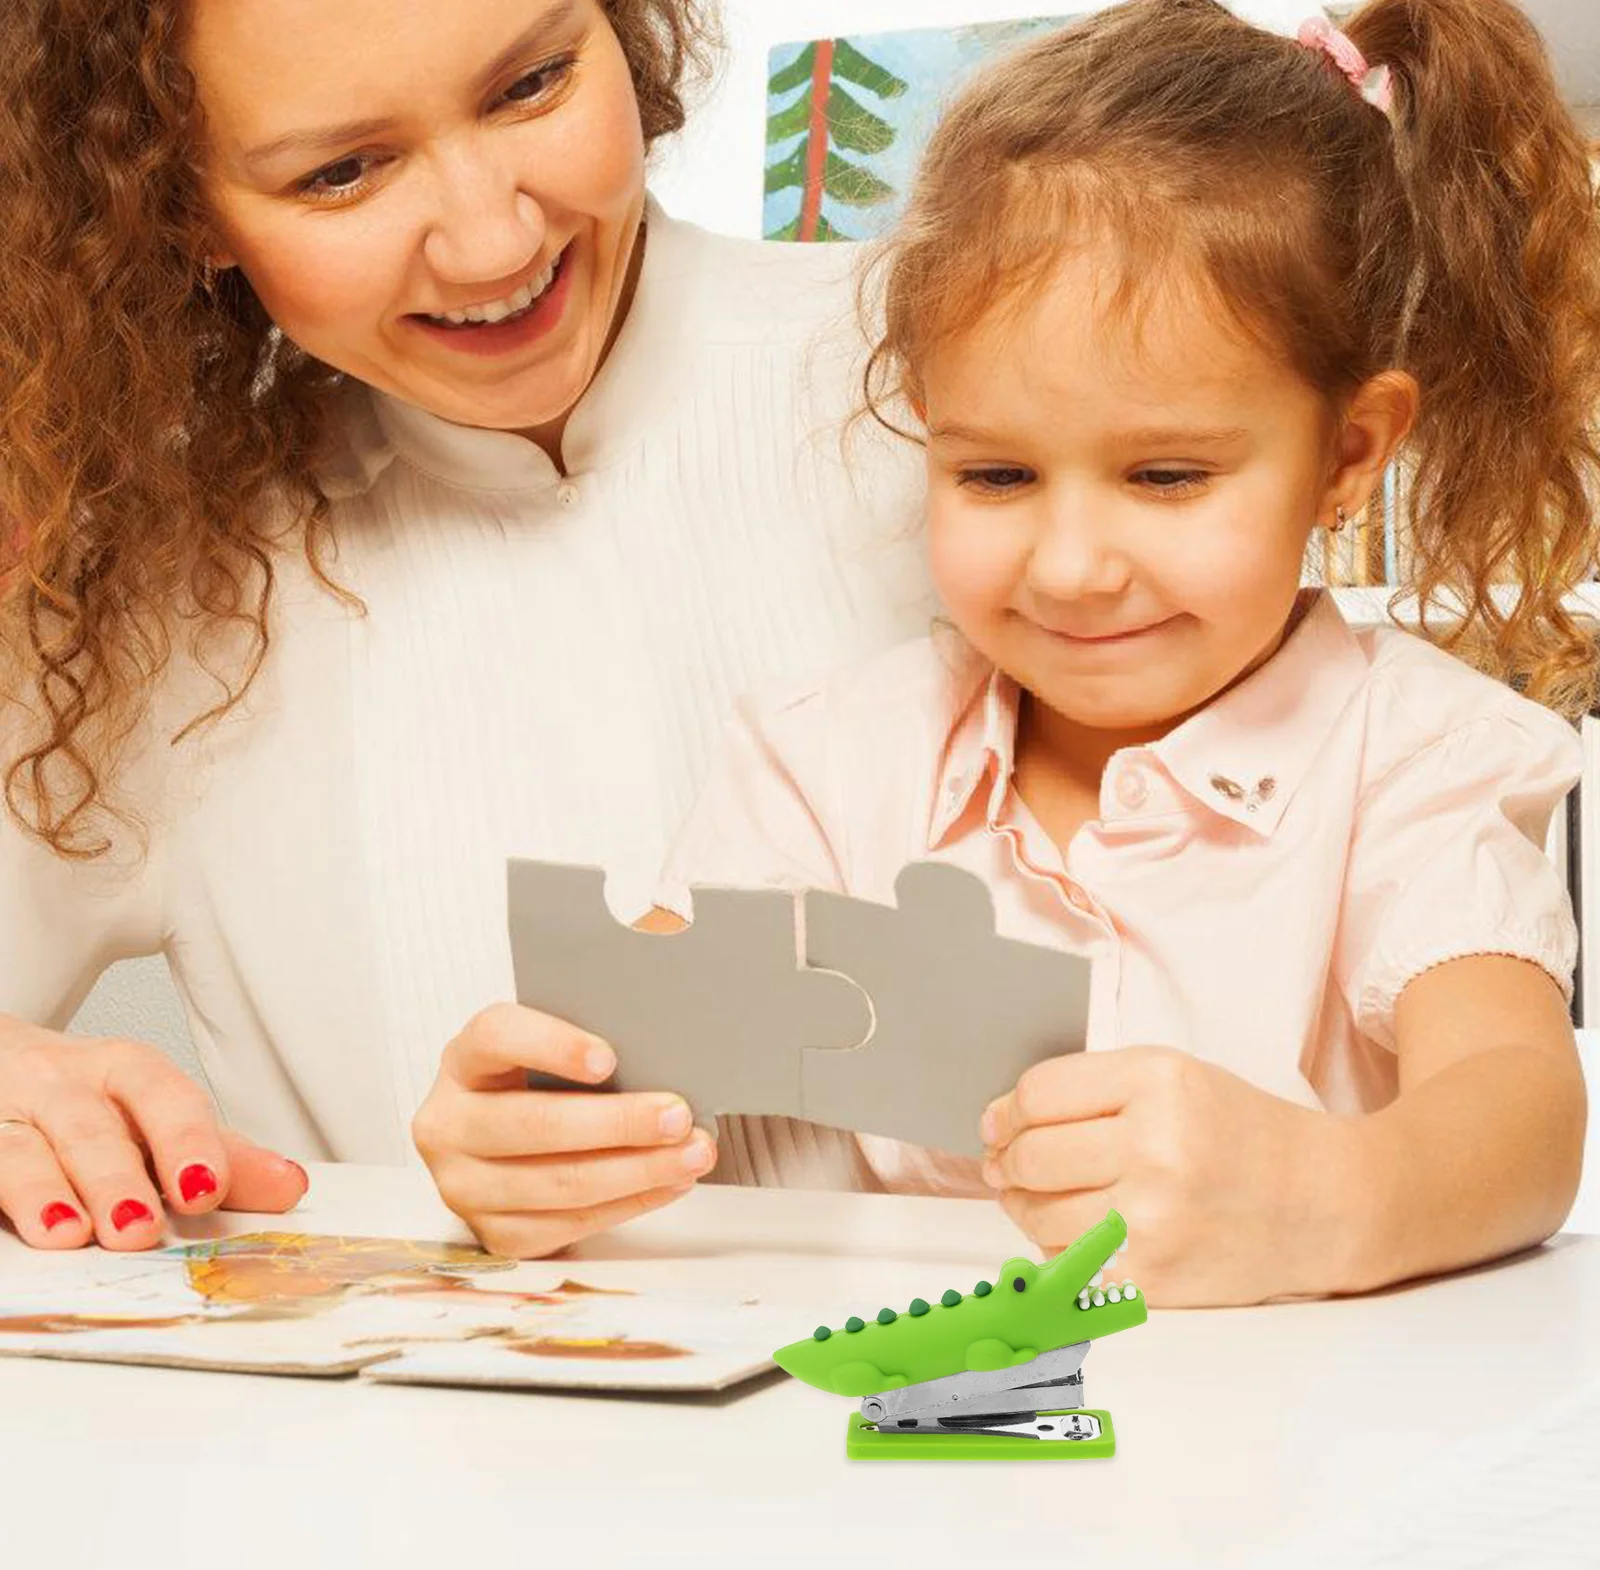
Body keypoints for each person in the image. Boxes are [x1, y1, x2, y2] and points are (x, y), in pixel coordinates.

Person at [645, 0, 1600, 1305]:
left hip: (1302, 1450)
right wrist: (538, 1118)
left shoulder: (1414, 760)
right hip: (922, 1453)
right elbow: (628, 1037)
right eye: (995, 473)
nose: (1073, 566)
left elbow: (1520, 1112)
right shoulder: (826, 759)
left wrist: (1337, 1203)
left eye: (1164, 476)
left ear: (1347, 455)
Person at [0, 0, 929, 1254]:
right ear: (180, 211)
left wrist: (1297, 1184)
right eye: (341, 172)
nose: (494, 242)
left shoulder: (967, 394)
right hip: (421, 1448)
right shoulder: (152, 591)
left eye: (532, 84)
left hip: (1047, 1431)